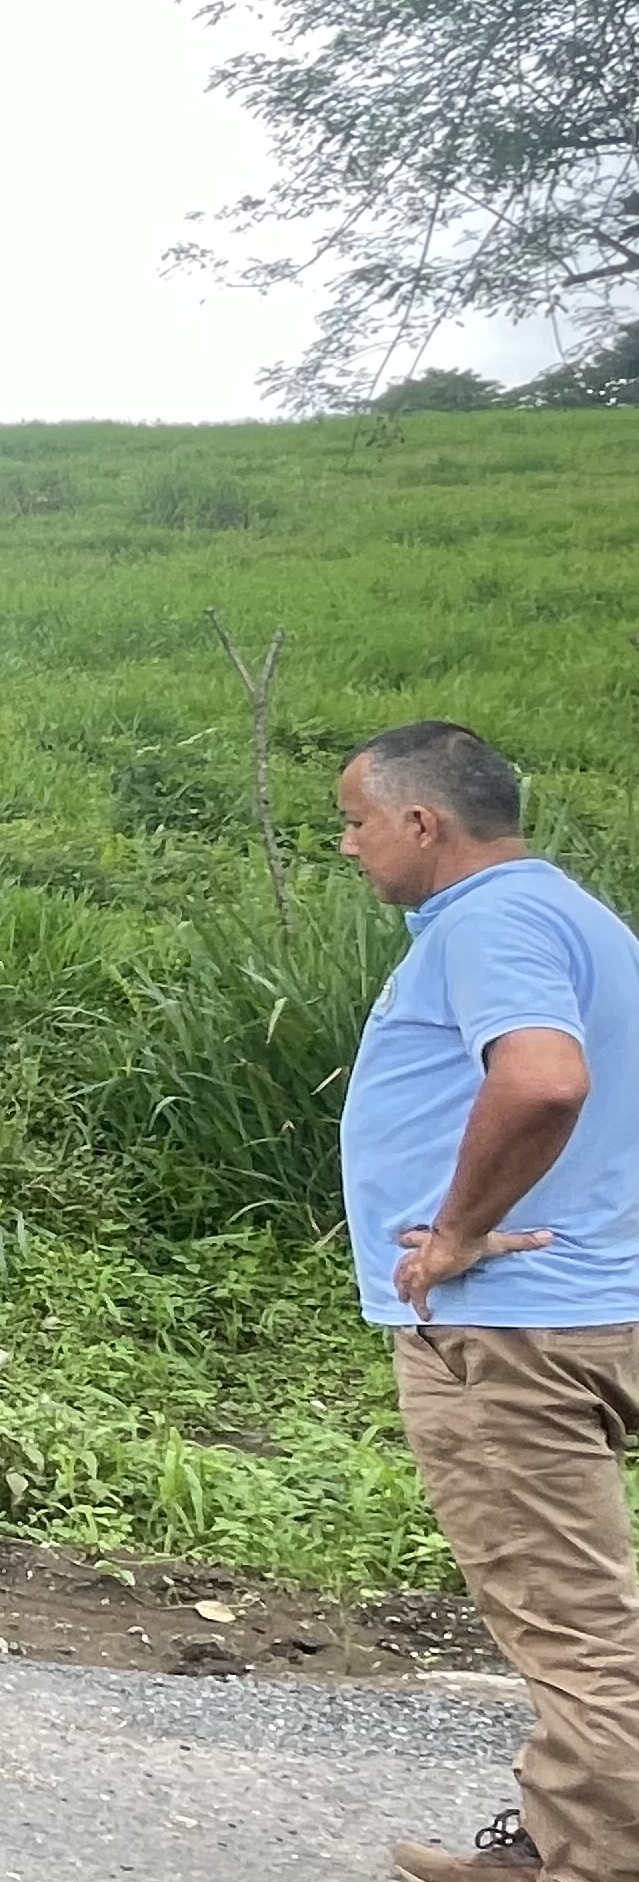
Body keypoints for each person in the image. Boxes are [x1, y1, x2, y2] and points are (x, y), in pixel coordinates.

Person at [332, 723, 639, 1882]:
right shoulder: (577, 917)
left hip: (511, 1327)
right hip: (587, 1302)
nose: (350, 846)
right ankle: (561, 1839)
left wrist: (457, 1230)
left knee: (575, 1629)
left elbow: (546, 1081)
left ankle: (598, 1866)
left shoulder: (492, 923)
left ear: (423, 822)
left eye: (357, 822)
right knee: (580, 1617)